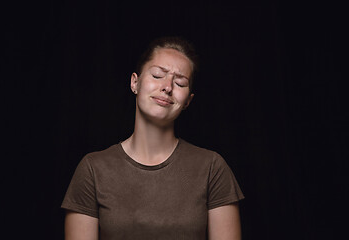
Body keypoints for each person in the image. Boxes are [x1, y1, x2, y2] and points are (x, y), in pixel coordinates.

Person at [61, 36, 244, 240]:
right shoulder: (93, 169)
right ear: (135, 83)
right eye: (157, 75)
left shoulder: (212, 168)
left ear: (188, 101)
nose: (167, 87)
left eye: (180, 83)